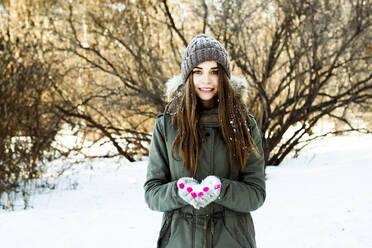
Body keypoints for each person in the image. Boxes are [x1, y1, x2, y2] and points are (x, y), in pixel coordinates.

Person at [144, 34, 266, 248]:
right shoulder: (167, 125)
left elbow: (256, 194)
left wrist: (221, 189)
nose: (206, 80)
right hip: (180, 240)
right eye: (198, 72)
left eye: (214, 72)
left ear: (224, 76)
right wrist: (178, 191)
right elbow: (152, 193)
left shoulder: (245, 124)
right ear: (188, 76)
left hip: (232, 241)